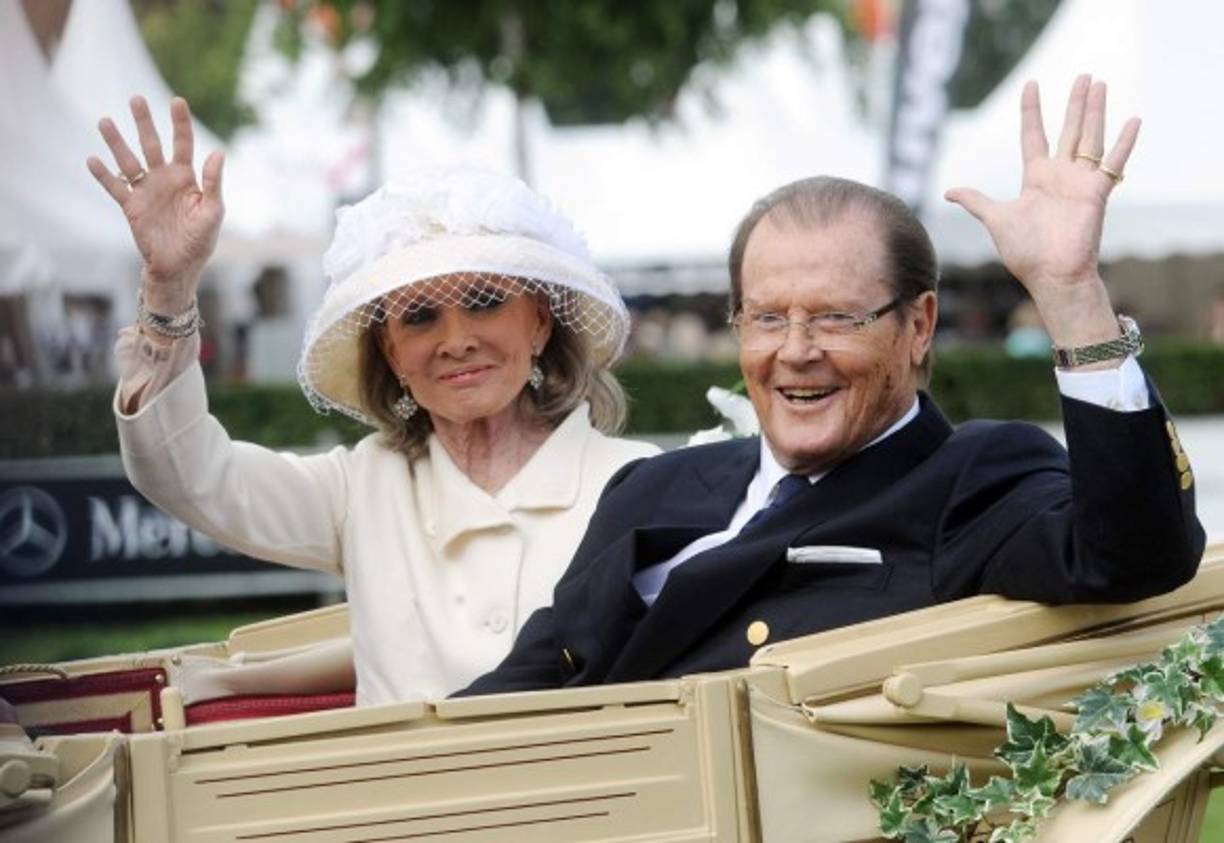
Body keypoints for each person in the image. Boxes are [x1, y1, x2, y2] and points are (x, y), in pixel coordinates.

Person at [461, 76, 1205, 695]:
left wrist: (1070, 291)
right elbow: (521, 684)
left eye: (835, 318)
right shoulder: (651, 488)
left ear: (918, 327)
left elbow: (1136, 553)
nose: (795, 352)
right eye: (766, 318)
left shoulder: (966, 482)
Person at [87, 96, 659, 706]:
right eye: (420, 318)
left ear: (541, 323)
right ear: (390, 352)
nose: (456, 340)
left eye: (486, 301)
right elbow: (189, 476)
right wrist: (168, 289)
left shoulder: (631, 480)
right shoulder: (362, 488)